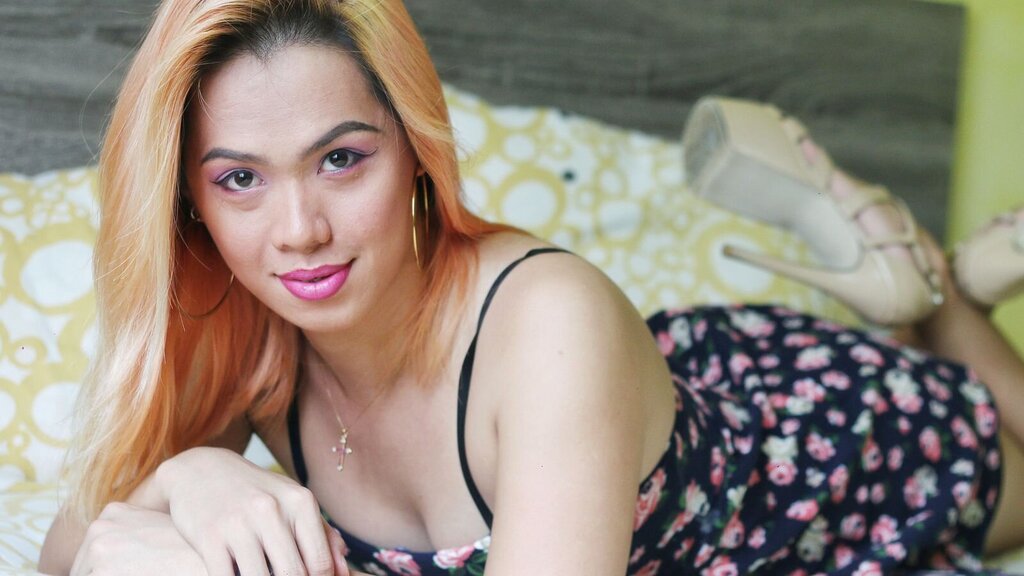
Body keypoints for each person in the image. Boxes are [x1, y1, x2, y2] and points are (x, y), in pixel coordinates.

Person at [34, 0, 1024, 574]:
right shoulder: (243, 331)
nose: (299, 231)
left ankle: (934, 288)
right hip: (632, 397)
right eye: (240, 180)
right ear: (191, 206)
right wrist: (181, 479)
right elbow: (70, 557)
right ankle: (912, 289)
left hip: (819, 449)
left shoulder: (549, 322)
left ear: (417, 154)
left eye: (341, 159)